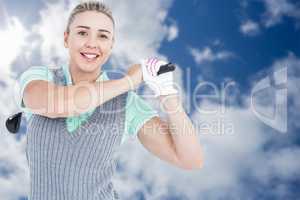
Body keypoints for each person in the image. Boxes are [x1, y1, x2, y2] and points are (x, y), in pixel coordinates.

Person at [18, 1, 203, 199]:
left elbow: (189, 160)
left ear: (111, 45)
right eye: (82, 33)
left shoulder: (126, 103)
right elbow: (57, 104)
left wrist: (167, 94)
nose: (92, 43)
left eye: (103, 36)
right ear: (66, 38)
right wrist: (130, 80)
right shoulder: (39, 77)